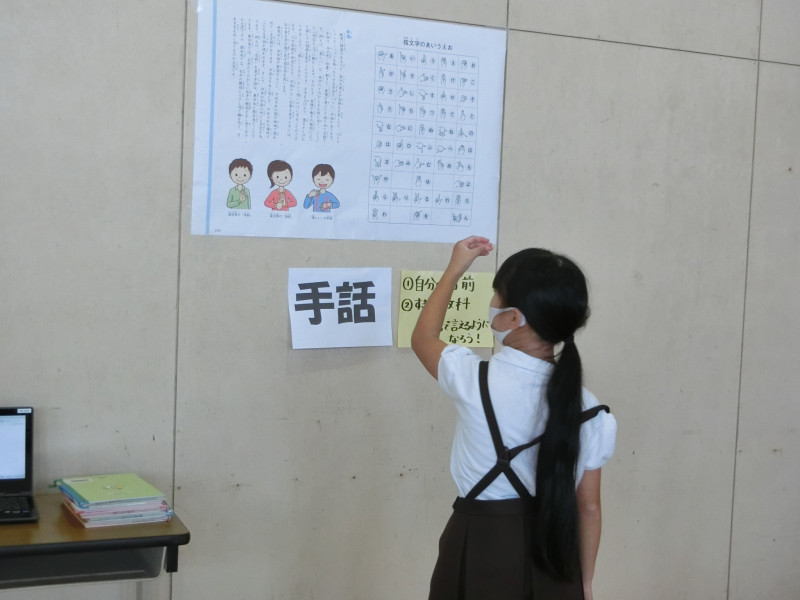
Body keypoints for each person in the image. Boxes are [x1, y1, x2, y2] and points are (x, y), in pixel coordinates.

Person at [411, 236, 617, 600]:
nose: (492, 303)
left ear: (514, 317)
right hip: (555, 557)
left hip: (476, 544)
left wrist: (456, 268)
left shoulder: (473, 378)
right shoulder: (588, 408)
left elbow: (423, 337)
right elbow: (588, 507)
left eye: (497, 295)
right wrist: (585, 584)